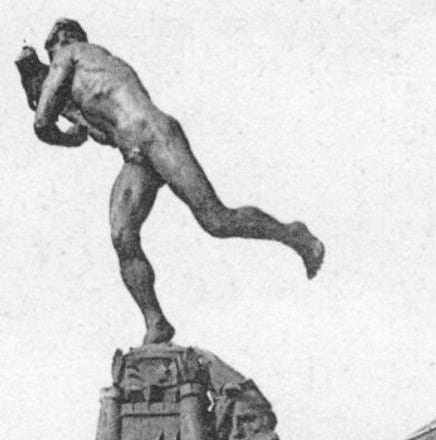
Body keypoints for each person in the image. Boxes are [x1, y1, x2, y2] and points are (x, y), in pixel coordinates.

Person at [23, 20, 325, 345]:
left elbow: (42, 123)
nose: (52, 59)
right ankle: (156, 322)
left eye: (51, 51)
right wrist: (70, 117)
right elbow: (96, 135)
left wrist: (49, 114)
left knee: (216, 220)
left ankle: (294, 235)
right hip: (135, 156)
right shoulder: (87, 81)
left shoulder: (73, 52)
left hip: (156, 135)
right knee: (122, 235)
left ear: (63, 39)